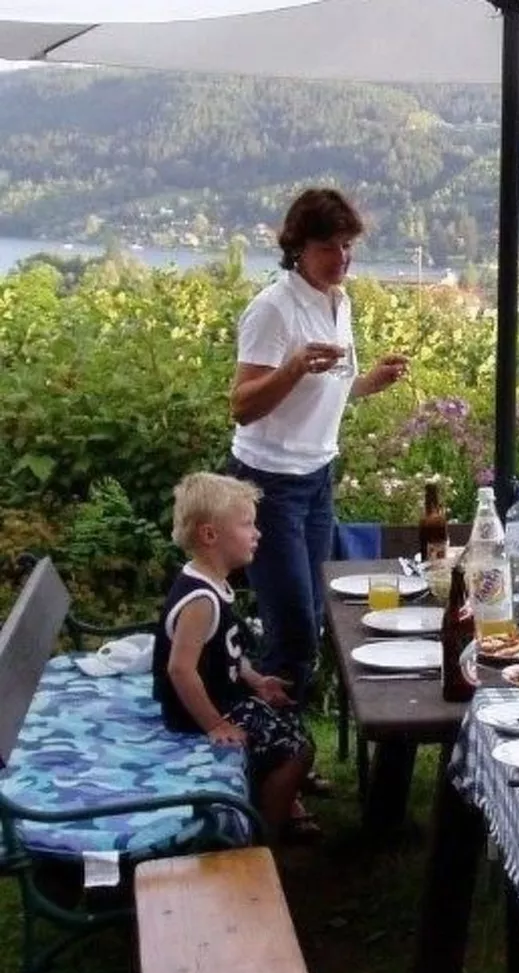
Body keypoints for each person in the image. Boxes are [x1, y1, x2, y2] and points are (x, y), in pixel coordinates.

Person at [226, 187, 409, 703]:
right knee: (292, 630)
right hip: (268, 482)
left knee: (309, 616)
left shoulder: (338, 301)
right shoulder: (274, 310)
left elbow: (324, 389)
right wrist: (291, 367)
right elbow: (242, 405)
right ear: (298, 248)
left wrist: (369, 381)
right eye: (329, 247)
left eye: (347, 245)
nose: (342, 258)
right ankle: (274, 760)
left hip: (317, 476)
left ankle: (289, 752)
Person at [153, 473, 317, 844]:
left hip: (222, 697)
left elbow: (223, 650)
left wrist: (255, 680)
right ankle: (262, 841)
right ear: (210, 535)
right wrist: (215, 725)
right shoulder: (200, 600)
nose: (257, 533)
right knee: (297, 749)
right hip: (196, 714)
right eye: (247, 524)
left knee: (288, 720)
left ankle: (265, 805)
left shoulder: (213, 582)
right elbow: (179, 670)